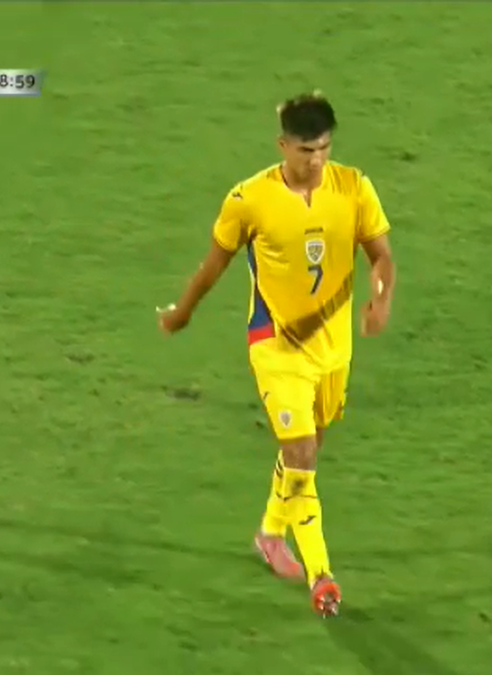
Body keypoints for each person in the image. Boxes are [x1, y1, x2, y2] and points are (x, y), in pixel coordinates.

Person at [157, 91, 396, 617]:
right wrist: (183, 312)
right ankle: (322, 577)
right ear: (283, 145)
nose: (317, 160)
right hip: (277, 345)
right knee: (303, 453)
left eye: (324, 148)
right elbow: (214, 263)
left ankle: (270, 533)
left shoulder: (353, 187)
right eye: (306, 150)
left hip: (333, 349)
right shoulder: (250, 200)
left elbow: (381, 256)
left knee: (308, 448)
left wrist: (380, 300)